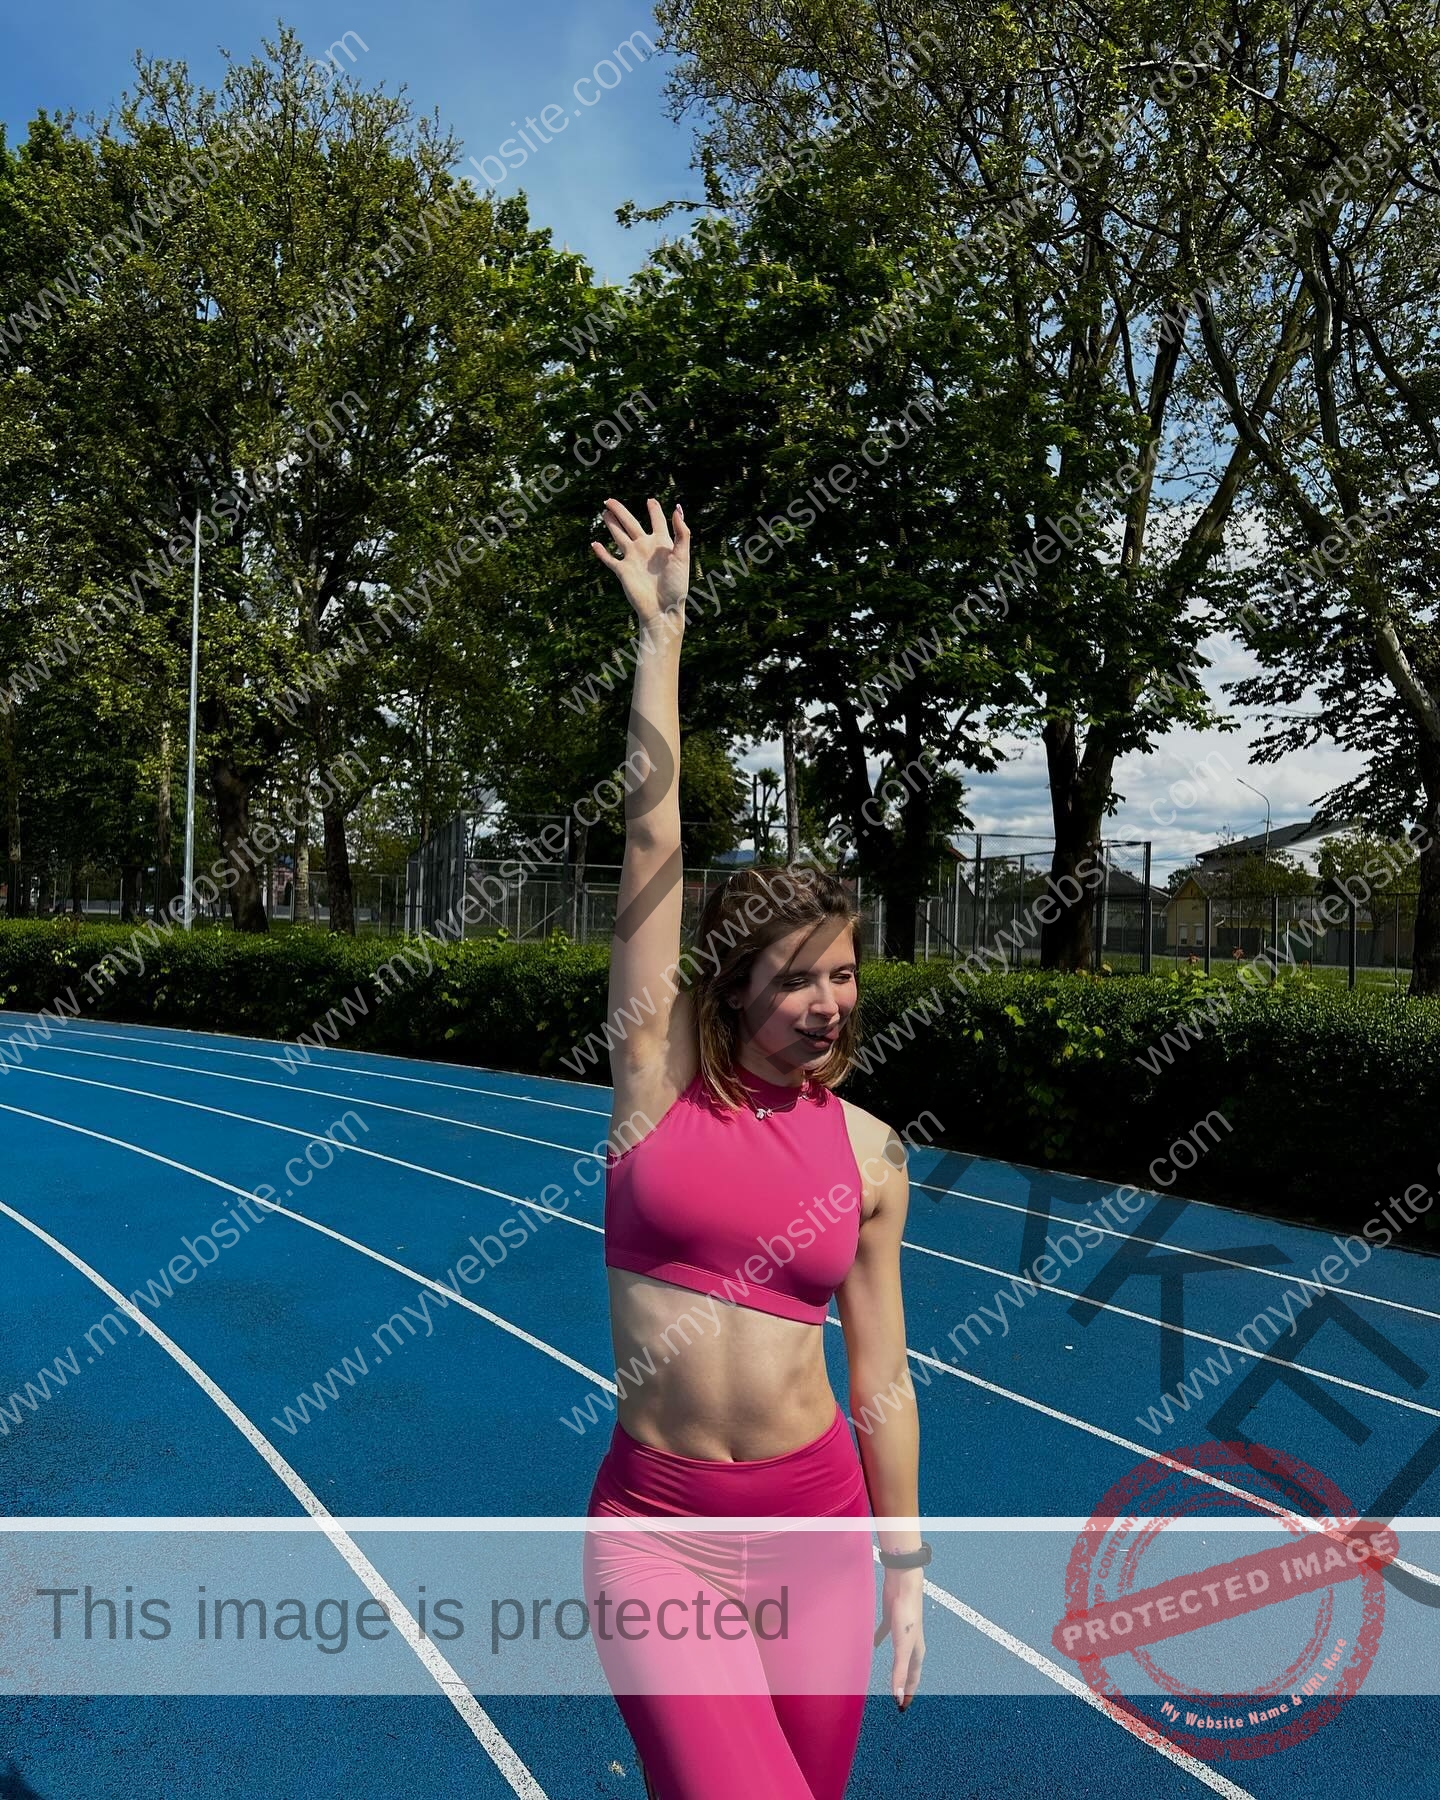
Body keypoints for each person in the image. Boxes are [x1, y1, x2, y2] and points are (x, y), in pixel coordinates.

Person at [581, 496, 927, 1799]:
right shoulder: (650, 1085)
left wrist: (902, 1568)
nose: (830, 1004)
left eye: (843, 976)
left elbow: (883, 1380)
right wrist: (662, 639)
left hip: (819, 1534)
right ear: (730, 991)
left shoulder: (874, 1153)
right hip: (658, 1533)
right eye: (797, 981)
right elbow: (653, 842)